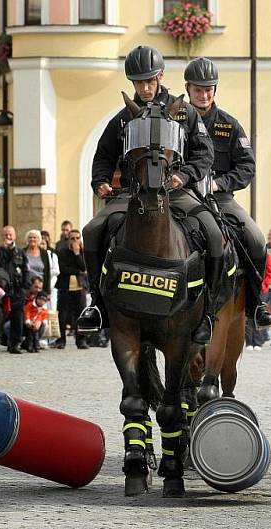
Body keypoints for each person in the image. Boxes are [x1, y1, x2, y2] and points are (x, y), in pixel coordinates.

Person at [78, 45, 216, 344]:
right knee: (92, 231)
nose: (145, 87)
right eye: (139, 82)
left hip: (176, 192)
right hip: (133, 194)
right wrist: (100, 181)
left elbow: (205, 154)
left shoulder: (186, 113)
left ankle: (208, 312)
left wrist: (184, 175)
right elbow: (103, 155)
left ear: (161, 76)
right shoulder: (123, 119)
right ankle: (98, 304)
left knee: (215, 234)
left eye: (149, 81)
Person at [184, 56, 271, 333]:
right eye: (198, 89)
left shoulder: (229, 125)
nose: (203, 94)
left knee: (256, 239)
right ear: (188, 88)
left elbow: (248, 166)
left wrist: (221, 183)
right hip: (182, 196)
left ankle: (255, 303)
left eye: (209, 88)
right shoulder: (174, 119)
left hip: (220, 198)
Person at [0, 225, 29, 354]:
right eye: (5, 235)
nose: (8, 237)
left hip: (17, 289)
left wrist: (25, 288)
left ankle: (15, 344)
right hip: (3, 291)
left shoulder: (20, 252)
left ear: (14, 236)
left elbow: (25, 269)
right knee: (0, 318)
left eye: (10, 235)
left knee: (18, 318)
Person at [55, 229, 88, 350]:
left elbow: (85, 266)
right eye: (72, 238)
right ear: (68, 239)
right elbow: (63, 269)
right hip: (65, 286)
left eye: (77, 238)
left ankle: (81, 340)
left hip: (79, 287)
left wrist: (77, 254)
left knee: (81, 314)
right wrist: (79, 271)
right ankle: (61, 339)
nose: (75, 240)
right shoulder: (62, 251)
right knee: (62, 314)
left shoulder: (84, 252)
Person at [23, 230, 53, 297]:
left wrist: (48, 292)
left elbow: (47, 272)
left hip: (40, 288)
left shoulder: (44, 253)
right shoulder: (22, 252)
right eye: (30, 237)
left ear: (38, 239)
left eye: (34, 237)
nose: (32, 239)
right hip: (26, 289)